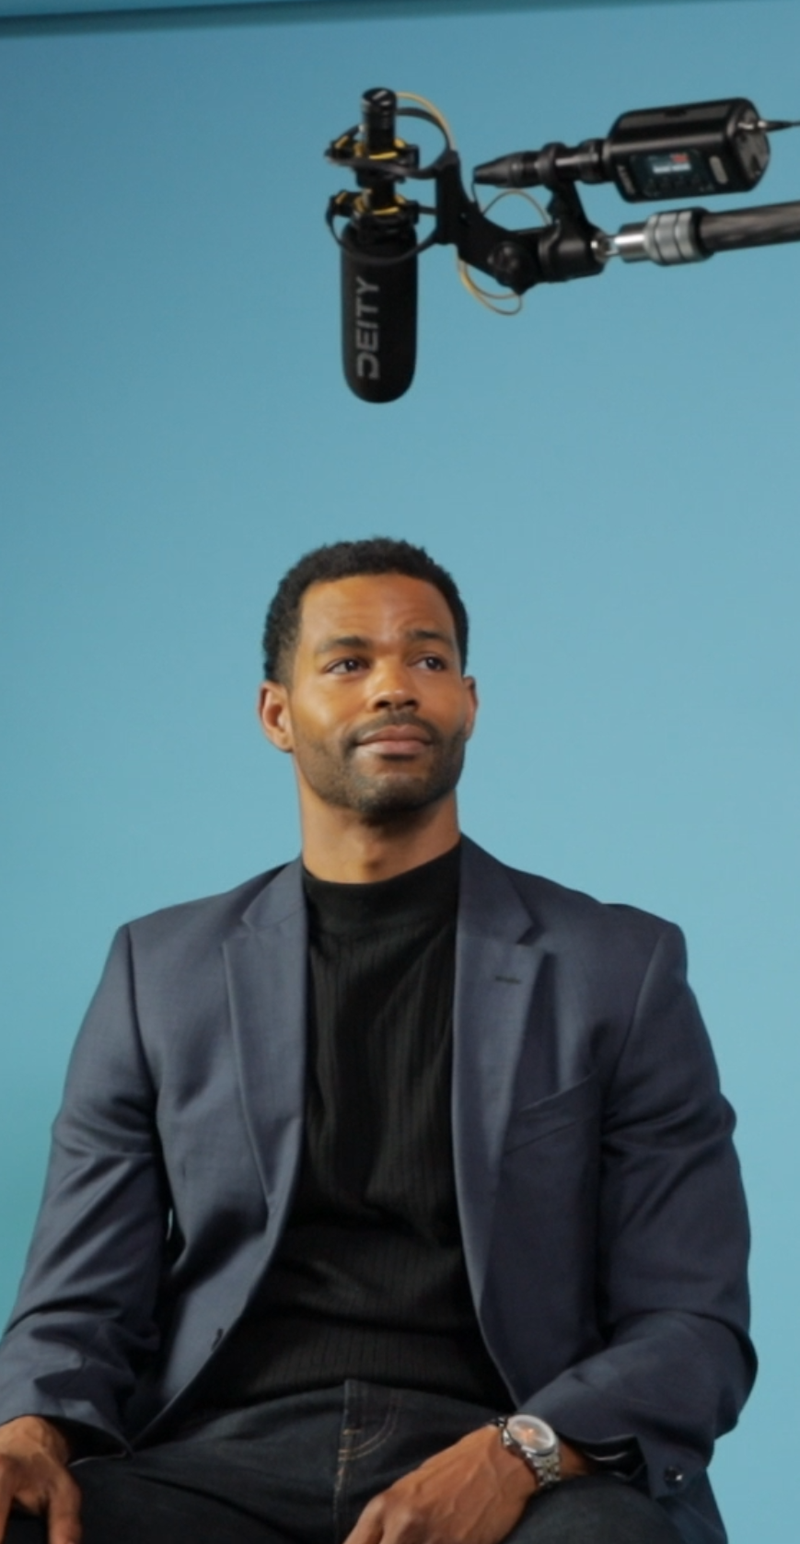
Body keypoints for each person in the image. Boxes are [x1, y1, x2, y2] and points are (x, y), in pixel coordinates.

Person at [0, 539, 754, 1544]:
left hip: (513, 1453)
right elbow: (78, 1298)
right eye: (349, 660)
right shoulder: (159, 971)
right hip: (214, 1458)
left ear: (468, 703)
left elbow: (691, 1321)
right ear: (277, 714)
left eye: (428, 658)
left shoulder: (616, 968)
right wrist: (28, 1429)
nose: (395, 685)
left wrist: (518, 1452)